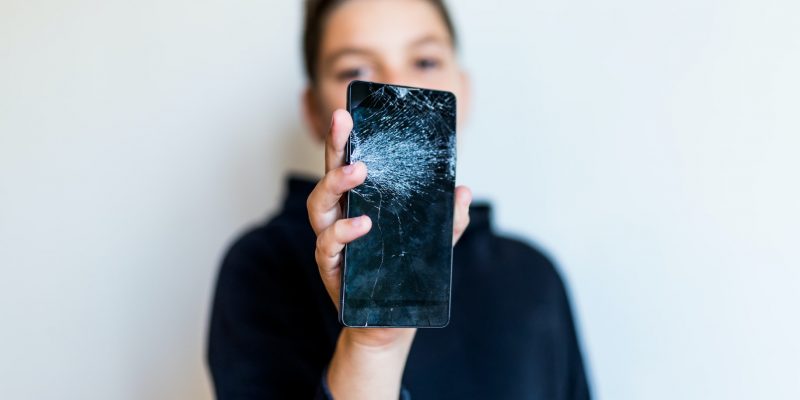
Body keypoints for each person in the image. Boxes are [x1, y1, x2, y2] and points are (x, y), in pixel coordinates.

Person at [207, 0, 591, 398]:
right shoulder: (263, 266)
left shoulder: (531, 276)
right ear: (313, 110)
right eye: (356, 70)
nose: (397, 87)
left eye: (425, 61)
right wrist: (374, 344)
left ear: (465, 90)